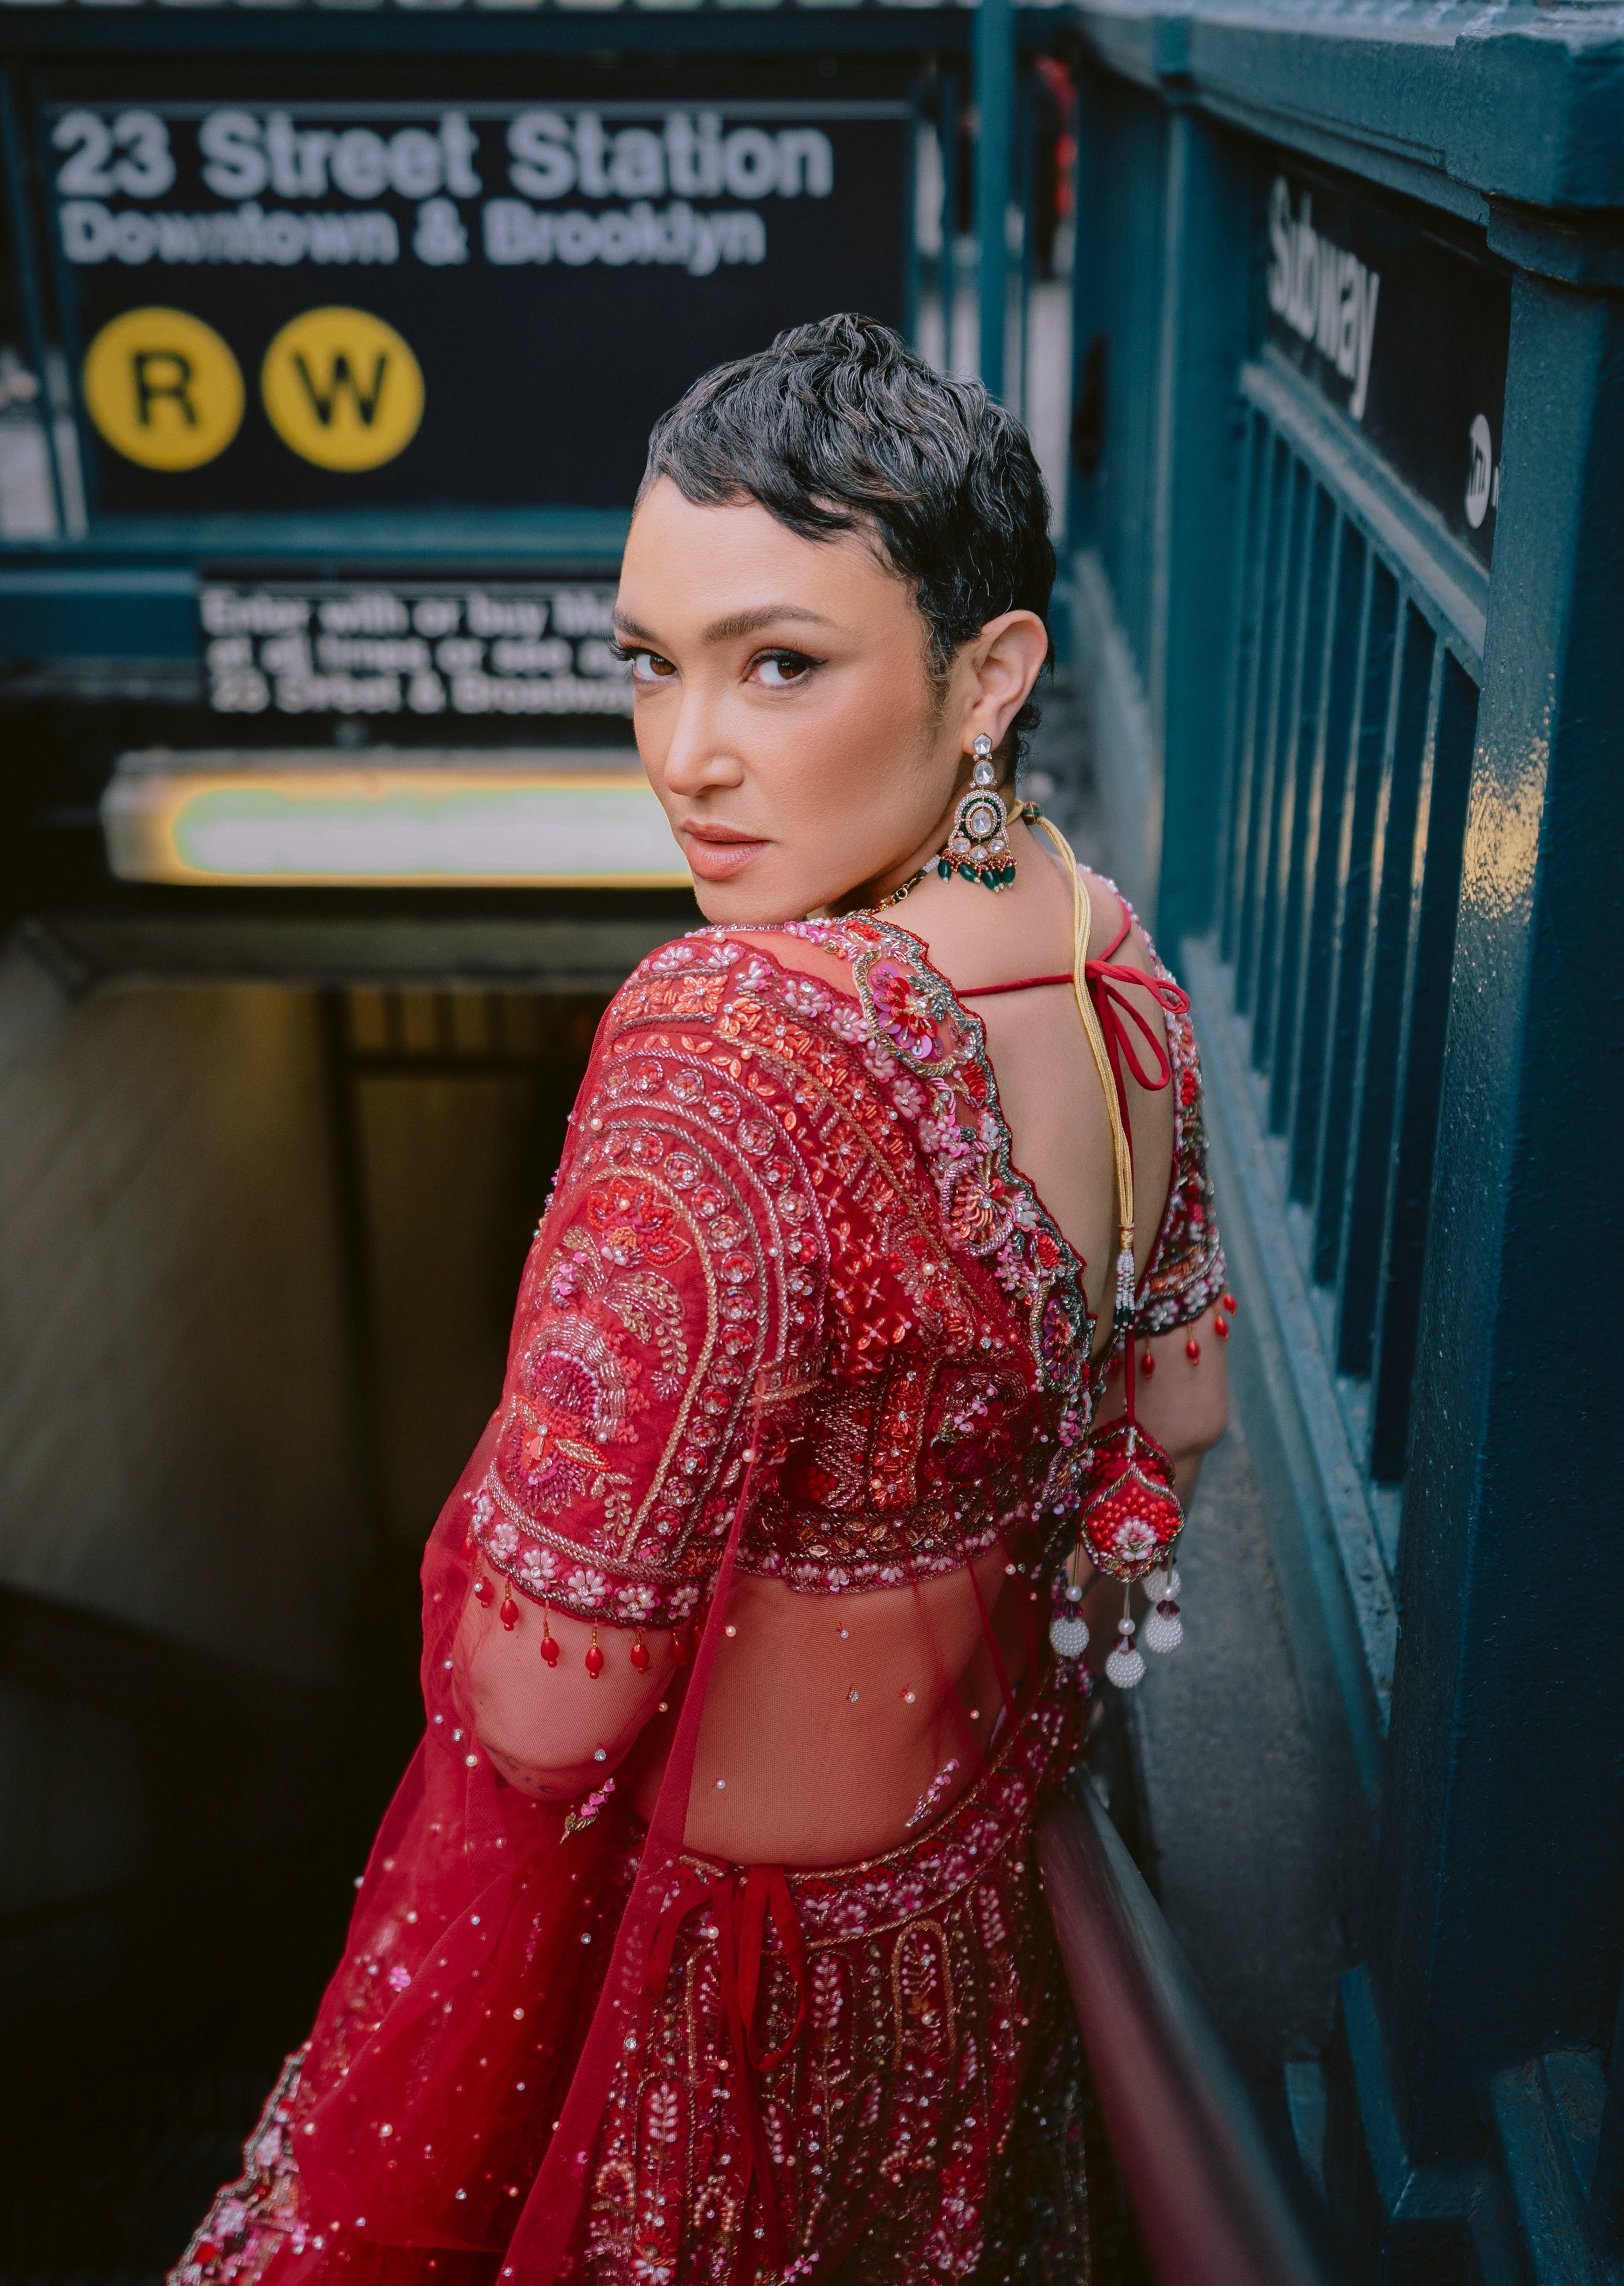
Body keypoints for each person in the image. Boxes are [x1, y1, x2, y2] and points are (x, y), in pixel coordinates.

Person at [175, 312, 1228, 2286]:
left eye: (781, 665)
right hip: (976, 1953)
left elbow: (542, 1700)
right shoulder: (1116, 977)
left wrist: (522, 1467)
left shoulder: (732, 1034)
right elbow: (1174, 1422)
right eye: (649, 666)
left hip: (748, 2019)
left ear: (991, 675)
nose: (688, 756)